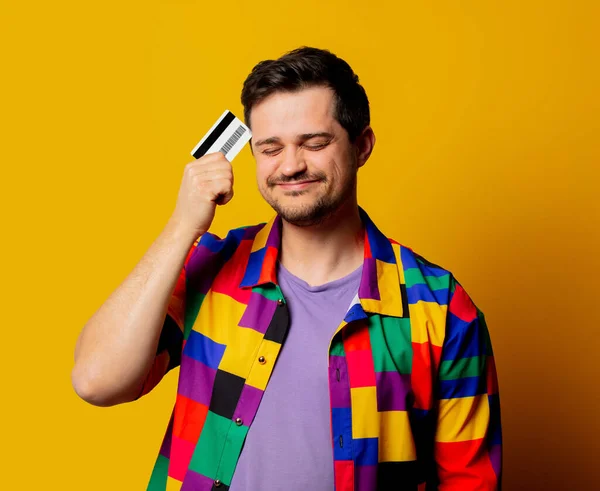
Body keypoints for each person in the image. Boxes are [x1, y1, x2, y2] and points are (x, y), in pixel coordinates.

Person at [72, 46, 502, 491]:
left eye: (314, 143)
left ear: (362, 146)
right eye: (270, 148)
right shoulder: (213, 267)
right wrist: (183, 226)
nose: (291, 165)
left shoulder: (440, 308)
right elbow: (96, 381)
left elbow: (471, 481)